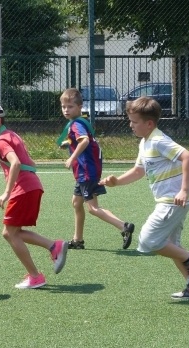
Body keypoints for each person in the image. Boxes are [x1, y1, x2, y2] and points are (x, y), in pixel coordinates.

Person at [100, 96, 189, 299]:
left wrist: (183, 190)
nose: (130, 125)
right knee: (172, 245)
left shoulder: (158, 140)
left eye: (134, 122)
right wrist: (117, 181)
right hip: (170, 201)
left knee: (148, 241)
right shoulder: (145, 142)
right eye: (130, 121)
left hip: (172, 201)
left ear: (149, 123)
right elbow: (138, 171)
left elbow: (188, 157)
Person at [0, 101, 68, 289]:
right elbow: (29, 161)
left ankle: (35, 276)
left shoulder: (0, 140)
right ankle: (53, 246)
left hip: (22, 188)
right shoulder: (11, 134)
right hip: (33, 186)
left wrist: (7, 192)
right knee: (14, 232)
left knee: (9, 233)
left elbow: (15, 163)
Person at [58, 88, 135, 250]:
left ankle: (123, 226)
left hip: (86, 172)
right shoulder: (80, 122)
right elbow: (83, 140)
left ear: (79, 107)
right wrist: (69, 143)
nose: (66, 110)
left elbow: (84, 141)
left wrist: (71, 157)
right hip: (84, 172)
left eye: (70, 106)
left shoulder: (76, 124)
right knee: (76, 202)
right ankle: (77, 240)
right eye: (64, 106)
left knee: (93, 208)